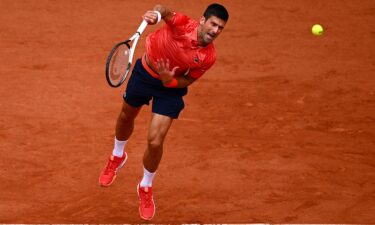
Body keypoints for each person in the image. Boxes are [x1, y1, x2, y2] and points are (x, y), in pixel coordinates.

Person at [99, 3, 229, 221]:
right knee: (126, 115)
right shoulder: (183, 24)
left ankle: (146, 186)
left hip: (170, 88)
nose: (215, 31)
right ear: (203, 20)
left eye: (221, 28)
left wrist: (171, 81)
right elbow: (164, 10)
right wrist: (156, 15)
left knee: (156, 141)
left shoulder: (209, 57)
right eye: (213, 24)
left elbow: (188, 80)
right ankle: (117, 155)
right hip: (145, 73)